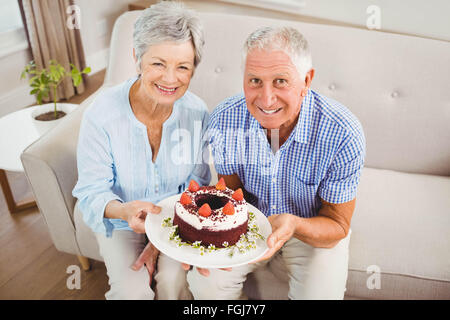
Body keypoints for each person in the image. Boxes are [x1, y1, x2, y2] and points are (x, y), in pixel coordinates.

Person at [184, 26, 366, 300]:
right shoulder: (224, 120)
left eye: (281, 81)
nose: (266, 99)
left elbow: (337, 225)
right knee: (206, 283)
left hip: (311, 229)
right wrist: (207, 238)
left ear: (306, 80)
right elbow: (231, 196)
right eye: (255, 80)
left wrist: (293, 225)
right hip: (248, 222)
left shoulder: (343, 132)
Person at [72, 1, 210, 300]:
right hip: (121, 221)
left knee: (173, 283)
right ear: (137, 58)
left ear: (193, 69)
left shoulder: (197, 113)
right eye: (158, 63)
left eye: (182, 67)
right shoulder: (103, 114)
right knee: (131, 293)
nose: (170, 79)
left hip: (175, 219)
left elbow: (197, 184)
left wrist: (161, 238)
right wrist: (124, 210)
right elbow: (91, 190)